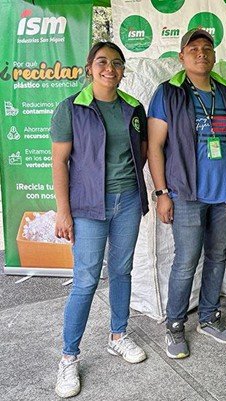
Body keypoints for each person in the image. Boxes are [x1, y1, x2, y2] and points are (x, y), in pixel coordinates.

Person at [51, 42, 149, 398]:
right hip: (88, 206)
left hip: (128, 201)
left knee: (122, 270)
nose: (110, 68)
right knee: (86, 279)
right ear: (90, 67)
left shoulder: (133, 108)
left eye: (117, 63)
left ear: (123, 70)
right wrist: (64, 210)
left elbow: (141, 153)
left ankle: (118, 335)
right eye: (103, 62)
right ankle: (68, 357)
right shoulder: (71, 108)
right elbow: (60, 161)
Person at [147, 28, 226, 358]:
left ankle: (209, 318)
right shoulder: (169, 93)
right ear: (181, 56)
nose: (201, 53)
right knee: (186, 261)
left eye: (207, 48)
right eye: (193, 49)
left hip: (224, 193)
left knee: (217, 257)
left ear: (214, 56)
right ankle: (175, 325)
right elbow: (155, 146)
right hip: (186, 194)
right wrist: (161, 192)